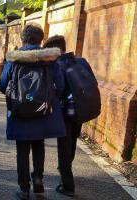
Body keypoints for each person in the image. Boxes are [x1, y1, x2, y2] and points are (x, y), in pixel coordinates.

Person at [0, 23, 66, 200]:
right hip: (42, 110)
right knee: (38, 145)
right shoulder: (50, 59)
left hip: (19, 111)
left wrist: (16, 98)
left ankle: (23, 189)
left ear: (22, 39)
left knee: (22, 149)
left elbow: (2, 84)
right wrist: (48, 100)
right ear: (40, 40)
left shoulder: (13, 59)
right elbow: (60, 85)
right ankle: (38, 180)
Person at [44, 35, 92, 197]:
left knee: (64, 145)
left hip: (64, 111)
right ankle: (65, 169)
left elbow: (55, 88)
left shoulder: (57, 65)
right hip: (80, 108)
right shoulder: (81, 62)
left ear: (54, 50)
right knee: (71, 142)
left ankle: (67, 185)